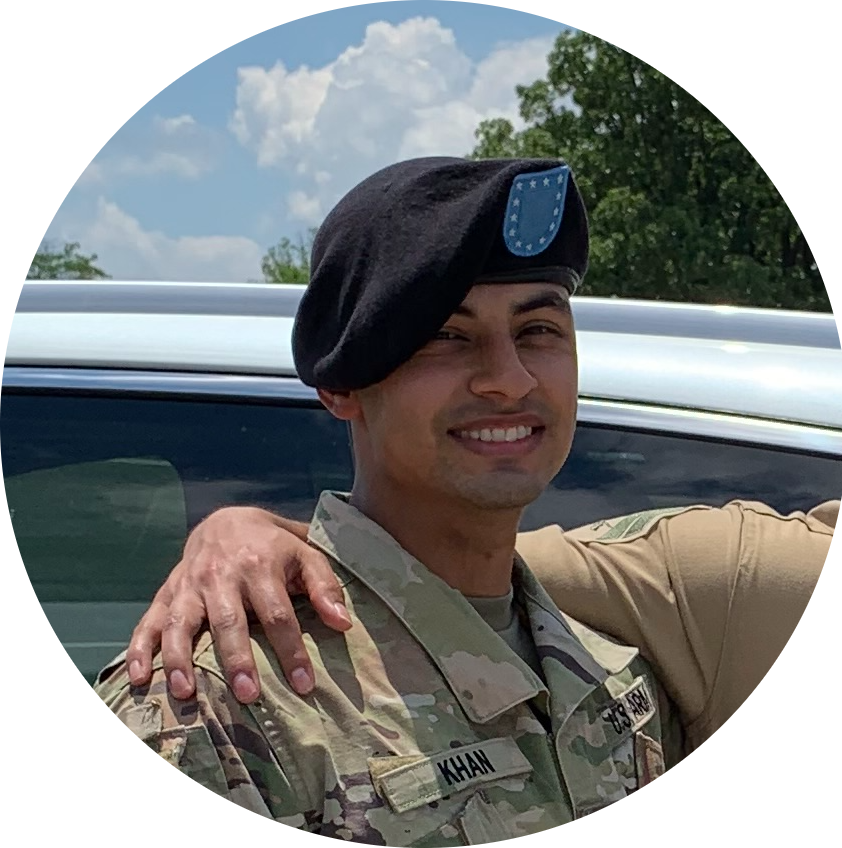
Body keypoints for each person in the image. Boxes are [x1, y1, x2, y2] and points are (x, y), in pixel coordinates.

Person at [95, 156, 693, 847]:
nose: (510, 378)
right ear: (341, 385)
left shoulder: (618, 676)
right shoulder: (221, 709)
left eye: (538, 330)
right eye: (446, 336)